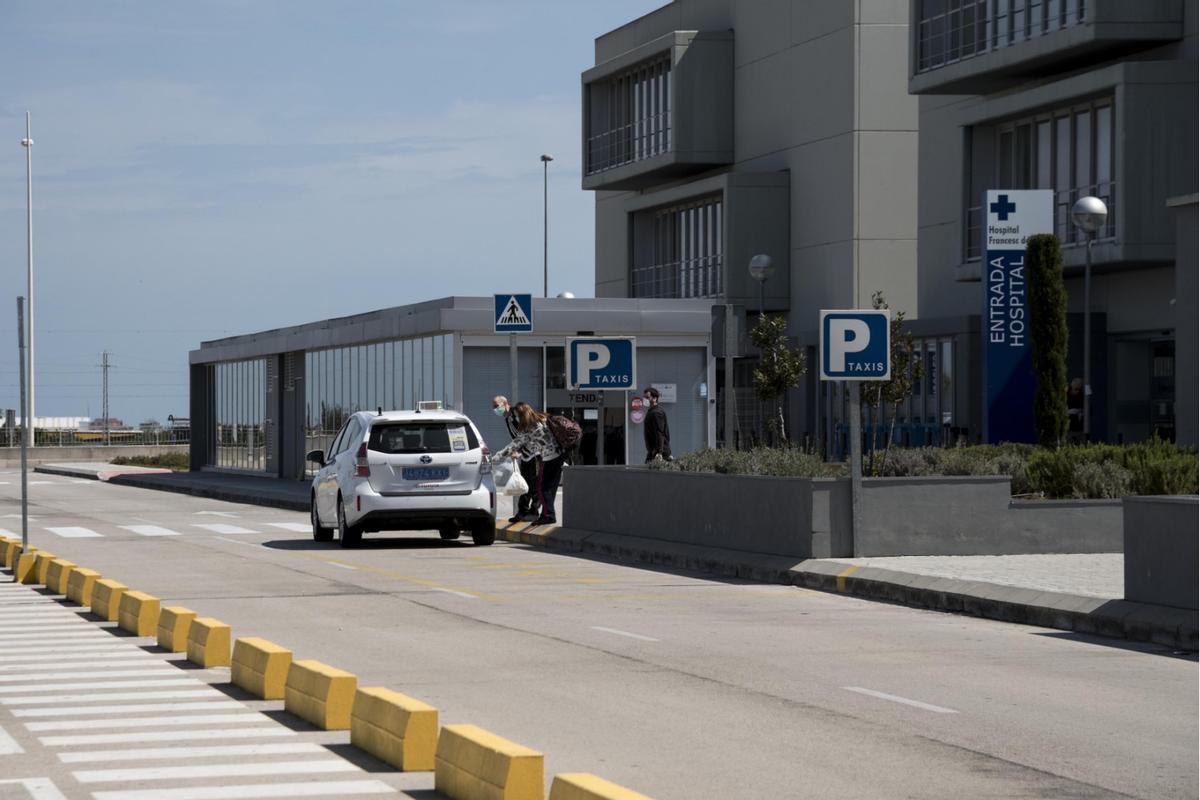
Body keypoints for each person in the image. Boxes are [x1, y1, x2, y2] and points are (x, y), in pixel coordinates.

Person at [494, 402, 564, 527]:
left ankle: (548, 516)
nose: (517, 419)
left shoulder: (530, 428)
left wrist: (495, 458)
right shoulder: (541, 419)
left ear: (522, 415)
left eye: (518, 416)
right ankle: (545, 514)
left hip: (548, 459)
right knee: (549, 488)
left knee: (542, 488)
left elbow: (514, 445)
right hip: (558, 456)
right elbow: (533, 444)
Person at [493, 395, 539, 522]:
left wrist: (514, 450)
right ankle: (522, 512)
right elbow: (516, 438)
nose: (495, 409)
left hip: (534, 453)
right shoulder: (508, 419)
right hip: (525, 454)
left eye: (497, 406)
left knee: (534, 484)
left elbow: (526, 434)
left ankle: (534, 511)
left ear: (505, 404)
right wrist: (516, 451)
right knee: (524, 484)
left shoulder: (517, 414)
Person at [642, 387, 672, 463]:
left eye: (647, 397)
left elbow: (660, 432)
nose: (645, 399)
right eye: (644, 397)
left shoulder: (656, 413)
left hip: (658, 453)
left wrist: (659, 452)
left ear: (655, 398)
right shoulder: (651, 411)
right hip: (653, 451)